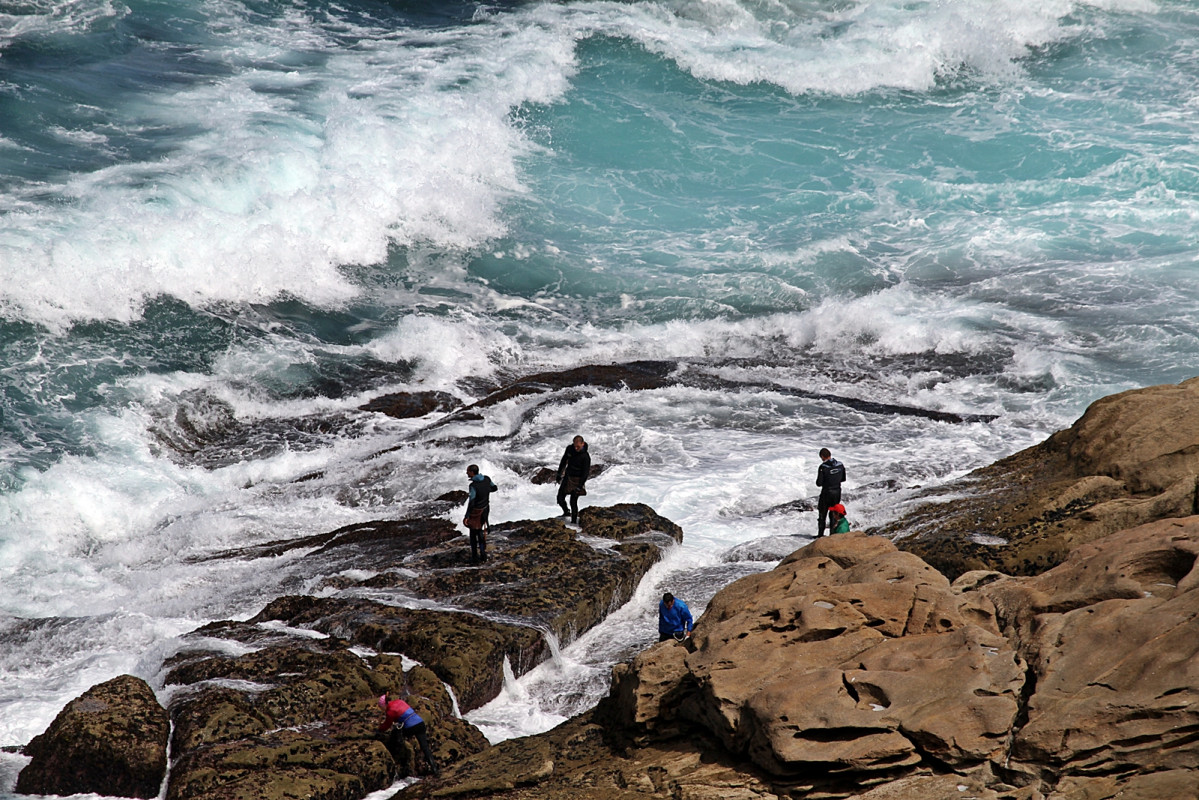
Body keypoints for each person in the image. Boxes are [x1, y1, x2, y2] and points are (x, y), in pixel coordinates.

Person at [377, 693, 440, 776]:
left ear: (384, 705)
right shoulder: (399, 701)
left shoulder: (390, 711)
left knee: (395, 734)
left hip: (411, 727)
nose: (381, 709)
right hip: (420, 723)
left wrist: (379, 728)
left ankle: (397, 755)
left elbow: (386, 726)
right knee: (425, 747)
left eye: (381, 707)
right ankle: (434, 769)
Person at [463, 464, 496, 562]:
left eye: (468, 471)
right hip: (486, 509)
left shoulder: (473, 485)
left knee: (473, 534)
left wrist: (467, 516)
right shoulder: (486, 479)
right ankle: (483, 553)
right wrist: (485, 491)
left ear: (472, 473)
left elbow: (472, 501)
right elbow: (495, 488)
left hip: (476, 512)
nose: (466, 473)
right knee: (480, 530)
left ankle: (475, 557)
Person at [556, 435, 591, 524]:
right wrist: (559, 474)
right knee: (560, 498)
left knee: (573, 501)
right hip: (568, 477)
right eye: (574, 446)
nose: (576, 448)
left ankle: (574, 522)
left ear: (582, 444)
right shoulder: (570, 449)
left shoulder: (585, 457)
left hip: (578, 479)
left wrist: (580, 486)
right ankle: (566, 512)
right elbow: (563, 461)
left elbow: (585, 473)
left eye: (578, 446)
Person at [816, 447, 846, 537]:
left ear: (822, 456)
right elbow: (843, 479)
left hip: (826, 493)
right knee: (834, 513)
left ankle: (820, 535)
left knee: (823, 513)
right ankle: (832, 535)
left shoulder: (823, 467)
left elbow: (819, 483)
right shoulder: (840, 465)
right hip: (837, 492)